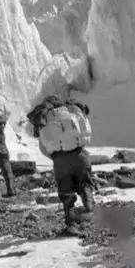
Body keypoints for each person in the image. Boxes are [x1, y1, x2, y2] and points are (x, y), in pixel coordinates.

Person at [27, 95, 95, 233]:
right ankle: (87, 199)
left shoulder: (44, 119)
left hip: (60, 160)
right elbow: (87, 133)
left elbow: (43, 147)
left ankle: (70, 222)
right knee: (85, 182)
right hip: (81, 155)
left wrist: (55, 158)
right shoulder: (74, 112)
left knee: (66, 191)